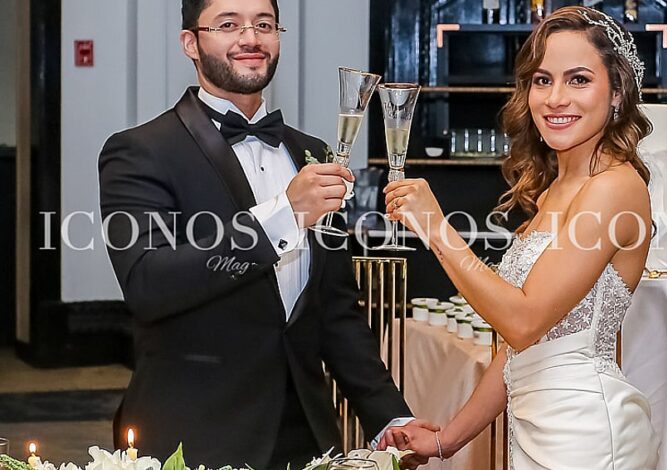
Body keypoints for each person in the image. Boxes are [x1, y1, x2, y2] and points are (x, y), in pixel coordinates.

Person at [98, 0, 435, 468]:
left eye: (264, 24)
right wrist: (284, 215)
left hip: (309, 436)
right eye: (228, 24)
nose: (250, 38)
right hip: (193, 435)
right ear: (190, 43)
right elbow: (149, 284)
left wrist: (390, 419)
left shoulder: (312, 153)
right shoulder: (139, 151)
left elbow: (335, 311)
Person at [379, 6, 659, 468]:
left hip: (585, 435)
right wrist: (447, 440)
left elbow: (523, 320)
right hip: (536, 429)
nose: (555, 98)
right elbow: (518, 353)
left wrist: (436, 229)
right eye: (542, 80)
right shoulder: (556, 189)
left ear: (617, 92)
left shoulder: (615, 187)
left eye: (579, 80)